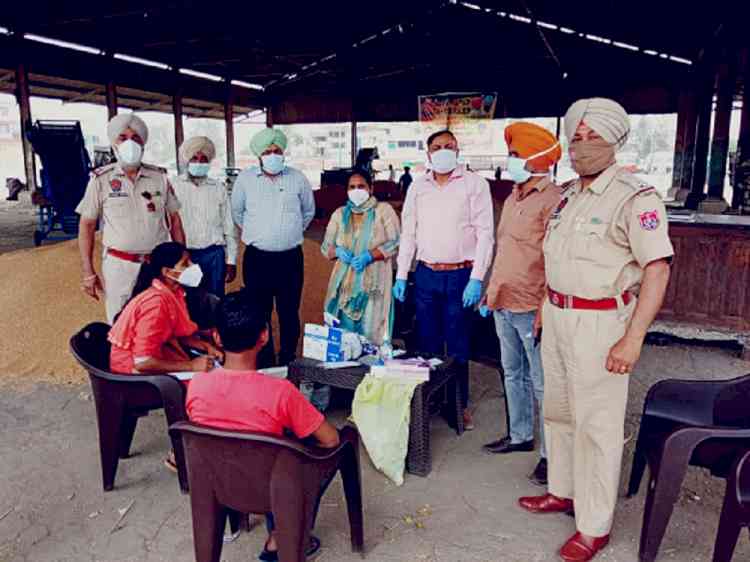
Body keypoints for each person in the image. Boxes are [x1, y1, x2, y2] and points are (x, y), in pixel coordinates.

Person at [518, 99, 673, 562]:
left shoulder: (635, 197)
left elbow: (658, 270)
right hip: (559, 316)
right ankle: (563, 491)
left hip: (603, 324)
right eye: (577, 137)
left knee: (597, 427)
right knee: (560, 413)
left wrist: (634, 337)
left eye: (594, 137)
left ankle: (594, 526)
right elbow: (557, 258)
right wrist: (547, 304)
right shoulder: (567, 196)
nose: (583, 146)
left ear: (615, 142)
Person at [186, 293, 340, 561]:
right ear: (264, 336)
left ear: (217, 338)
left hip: (218, 483)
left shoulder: (197, 385)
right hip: (274, 490)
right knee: (319, 450)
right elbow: (330, 440)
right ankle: (281, 535)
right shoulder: (281, 392)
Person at [393, 129, 494, 429]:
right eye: (437, 147)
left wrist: (478, 278)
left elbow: (485, 233)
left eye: (449, 146)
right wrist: (401, 274)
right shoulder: (417, 187)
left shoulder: (475, 184)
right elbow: (408, 232)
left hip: (460, 275)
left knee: (459, 342)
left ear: (458, 149)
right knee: (427, 342)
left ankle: (459, 403)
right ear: (428, 153)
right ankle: (432, 400)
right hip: (425, 274)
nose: (443, 151)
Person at [480, 122, 562, 488]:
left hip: (532, 303)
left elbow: (555, 260)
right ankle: (520, 435)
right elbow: (506, 249)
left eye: (515, 155)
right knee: (511, 372)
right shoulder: (514, 196)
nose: (510, 161)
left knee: (542, 382)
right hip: (503, 299)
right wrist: (489, 288)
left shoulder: (554, 199)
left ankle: (550, 455)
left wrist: (546, 304)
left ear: (535, 159)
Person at [77, 114, 185, 323]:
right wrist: (88, 271)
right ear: (114, 144)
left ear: (143, 143)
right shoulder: (101, 180)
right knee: (121, 322)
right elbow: (87, 225)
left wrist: (181, 262)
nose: (130, 142)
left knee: (160, 318)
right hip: (120, 266)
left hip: (157, 265)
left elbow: (175, 221)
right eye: (123, 137)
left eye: (136, 138)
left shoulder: (159, 177)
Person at [231, 127, 315, 368]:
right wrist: (260, 233)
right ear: (259, 155)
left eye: (277, 150)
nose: (273, 155)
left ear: (283, 152)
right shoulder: (245, 179)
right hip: (257, 259)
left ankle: (288, 357)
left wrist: (290, 231)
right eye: (267, 151)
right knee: (259, 311)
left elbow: (308, 211)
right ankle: (265, 359)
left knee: (289, 311)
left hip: (290, 258)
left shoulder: (297, 178)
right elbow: (237, 212)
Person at [108, 241, 220, 375]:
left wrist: (206, 346)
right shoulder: (156, 304)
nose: (192, 266)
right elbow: (143, 362)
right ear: (167, 272)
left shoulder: (174, 293)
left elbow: (173, 333)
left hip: (151, 358)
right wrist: (191, 366)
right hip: (131, 372)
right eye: (185, 264)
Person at [322, 169, 400, 344]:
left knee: (372, 330)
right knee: (344, 334)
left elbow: (395, 242)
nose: (356, 190)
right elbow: (326, 247)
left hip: (375, 282)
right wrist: (338, 251)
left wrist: (370, 256)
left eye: (361, 186)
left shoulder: (383, 211)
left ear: (370, 188)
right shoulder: (340, 214)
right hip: (344, 284)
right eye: (352, 187)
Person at [172, 136, 238, 297]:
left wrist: (231, 261)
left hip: (214, 255)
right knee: (186, 303)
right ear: (187, 160)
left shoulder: (218, 188)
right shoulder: (173, 186)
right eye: (194, 158)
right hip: (185, 256)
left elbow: (229, 227)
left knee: (215, 302)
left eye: (203, 159)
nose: (199, 162)